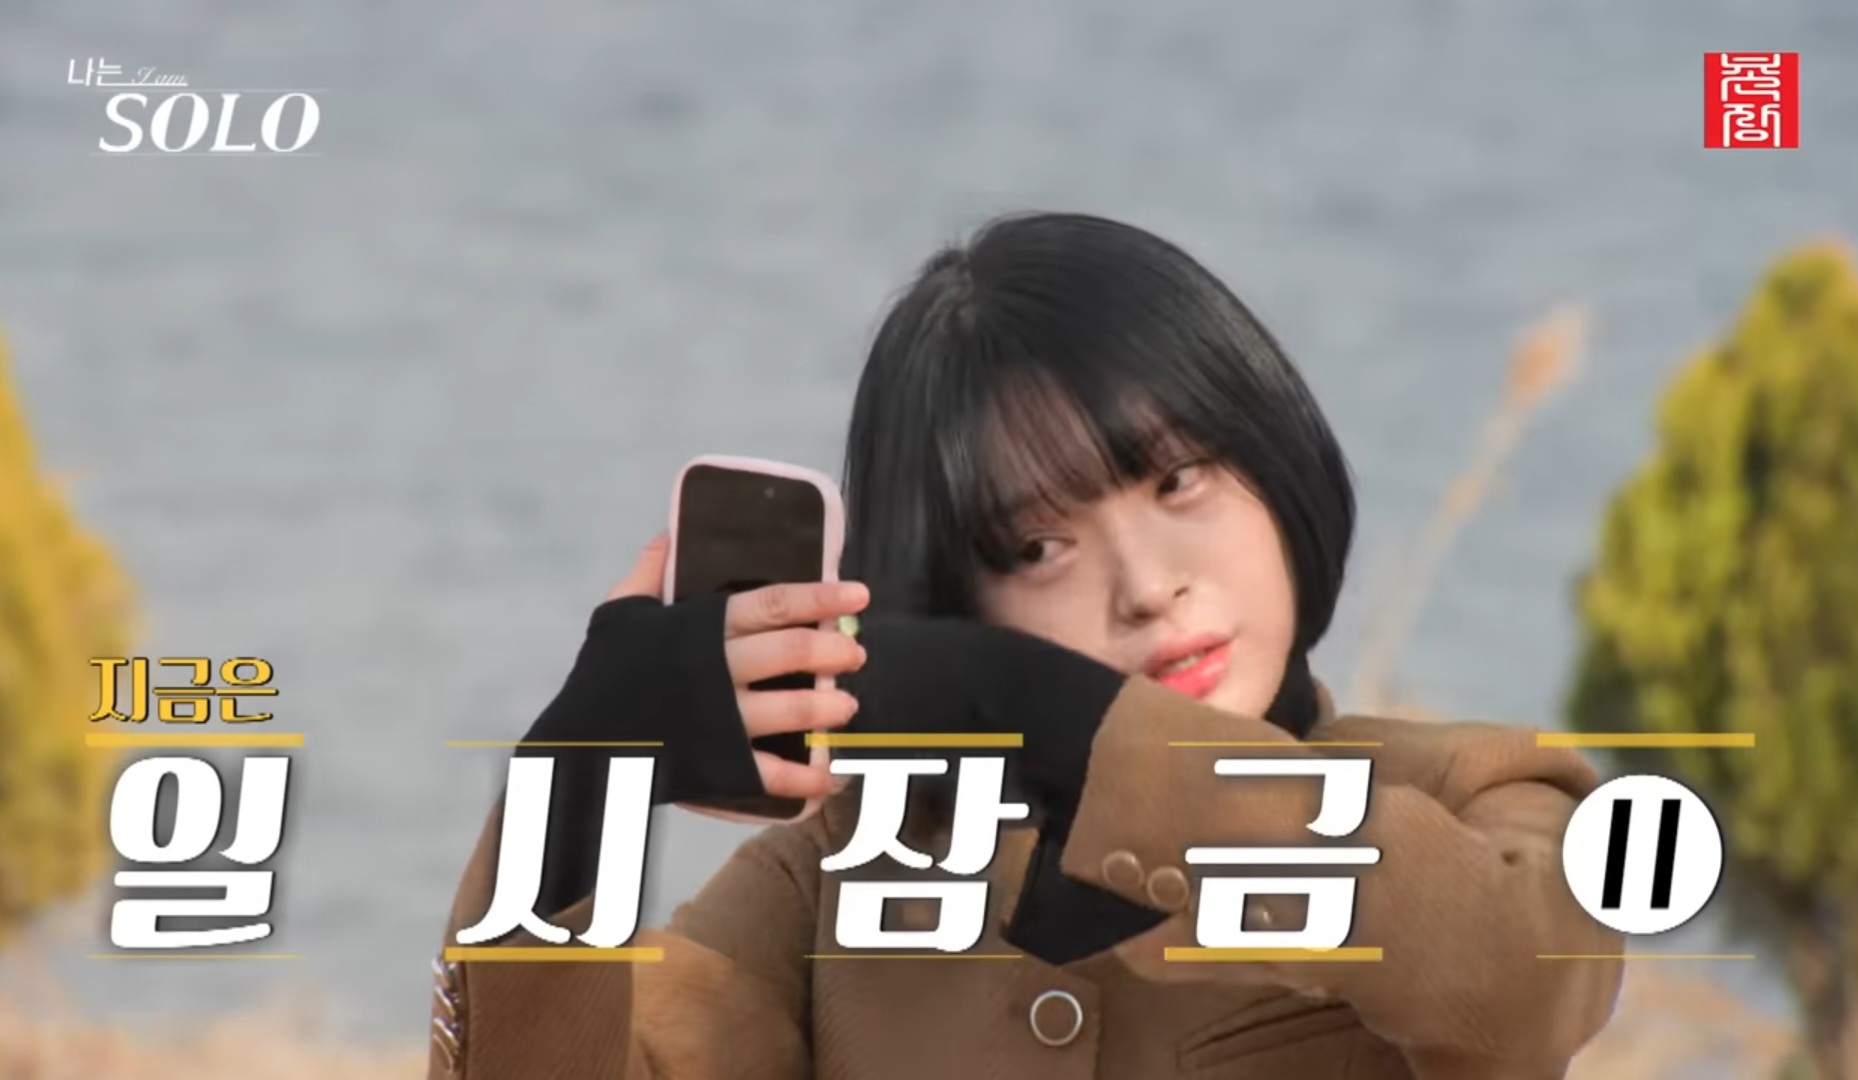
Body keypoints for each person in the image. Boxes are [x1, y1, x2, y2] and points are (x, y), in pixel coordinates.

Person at [425, 213, 1623, 1080]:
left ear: (1277, 458)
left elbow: (1523, 981)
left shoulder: (1475, 791)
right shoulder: (840, 882)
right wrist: (575, 783)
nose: (1147, 588)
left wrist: (1050, 714)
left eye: (1179, 480)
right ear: (951, 588)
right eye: (1036, 547)